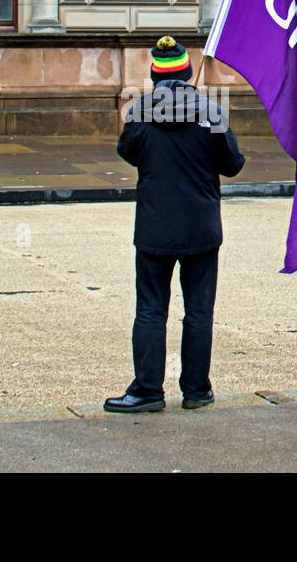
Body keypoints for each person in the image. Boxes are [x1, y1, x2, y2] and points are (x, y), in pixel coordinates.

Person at [105, 36, 246, 413]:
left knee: (151, 309)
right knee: (199, 311)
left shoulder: (139, 113)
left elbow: (128, 153)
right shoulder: (212, 113)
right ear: (186, 73)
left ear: (154, 75)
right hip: (201, 226)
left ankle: (147, 391)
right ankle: (197, 390)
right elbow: (233, 164)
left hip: (155, 227)